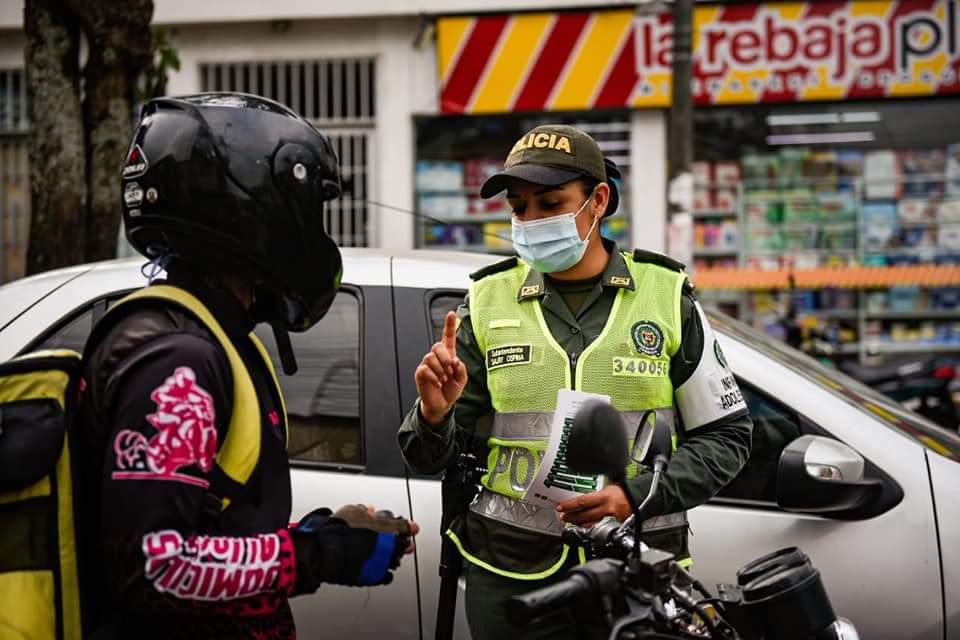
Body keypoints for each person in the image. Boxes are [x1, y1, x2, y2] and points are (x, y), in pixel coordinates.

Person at [74, 93, 417, 639]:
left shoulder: (213, 337)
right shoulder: (177, 363)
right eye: (309, 210)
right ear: (256, 208)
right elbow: (155, 567)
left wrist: (317, 533)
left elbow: (210, 523)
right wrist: (314, 555)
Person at [398, 124, 752, 639]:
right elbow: (425, 456)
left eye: (550, 202)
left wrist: (635, 495)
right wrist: (433, 414)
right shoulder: (487, 300)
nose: (531, 220)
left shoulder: (666, 296)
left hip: (636, 571)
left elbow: (728, 435)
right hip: (509, 575)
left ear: (598, 200)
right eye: (519, 207)